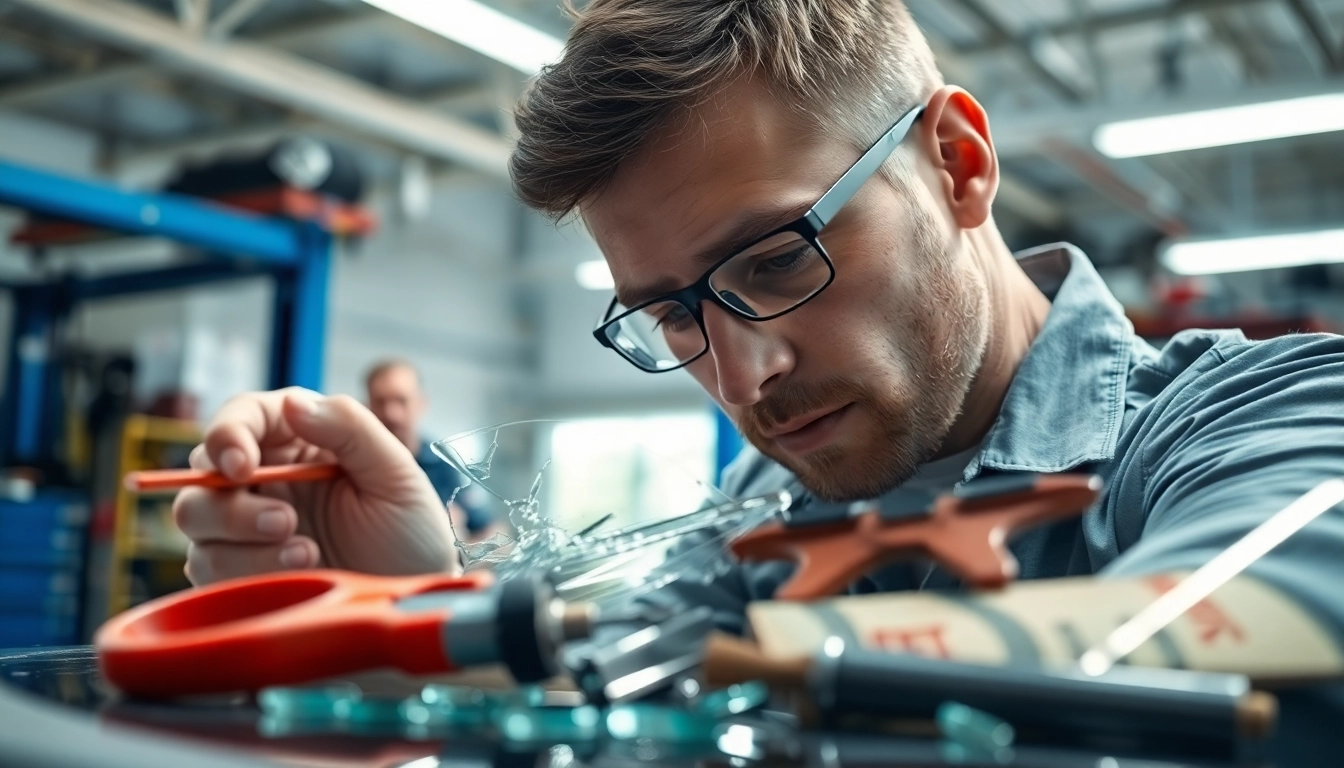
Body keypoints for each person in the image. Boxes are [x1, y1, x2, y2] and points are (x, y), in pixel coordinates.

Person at [172, 0, 1344, 670]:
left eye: (779, 259)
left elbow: (1272, 637)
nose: (742, 375)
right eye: (671, 312)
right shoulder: (766, 518)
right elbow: (593, 690)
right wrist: (408, 615)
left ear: (960, 167)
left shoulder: (1260, 421)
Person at [363, 359, 501, 544]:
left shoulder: (446, 464)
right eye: (380, 402)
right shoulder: (349, 466)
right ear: (366, 406)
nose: (391, 414)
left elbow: (492, 532)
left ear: (421, 403)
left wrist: (458, 543)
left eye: (401, 400)